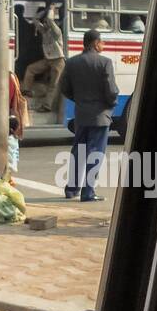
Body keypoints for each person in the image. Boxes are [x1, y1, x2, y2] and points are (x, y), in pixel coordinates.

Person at [57, 28, 118, 202]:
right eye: (102, 42)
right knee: (96, 153)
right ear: (95, 43)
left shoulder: (72, 62)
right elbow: (111, 90)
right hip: (100, 116)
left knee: (79, 151)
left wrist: (78, 100)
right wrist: (110, 104)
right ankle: (88, 192)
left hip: (81, 115)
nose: (104, 45)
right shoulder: (104, 62)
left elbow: (64, 88)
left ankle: (72, 189)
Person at [20, 4, 66, 111]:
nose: (44, 23)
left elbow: (50, 20)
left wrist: (50, 10)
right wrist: (44, 11)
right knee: (31, 69)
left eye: (45, 21)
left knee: (53, 85)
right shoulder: (44, 31)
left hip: (58, 60)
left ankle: (47, 106)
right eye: (44, 21)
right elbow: (35, 20)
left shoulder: (56, 32)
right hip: (48, 60)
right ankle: (26, 90)